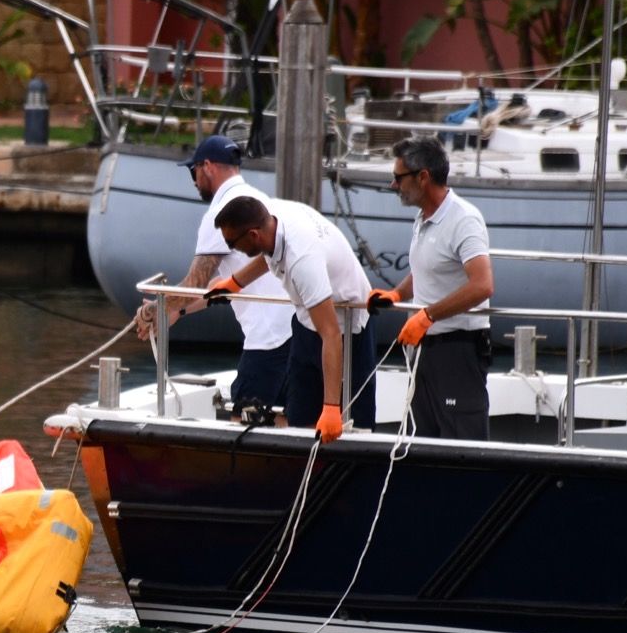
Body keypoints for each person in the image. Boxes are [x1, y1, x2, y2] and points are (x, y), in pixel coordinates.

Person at [133, 134, 292, 419]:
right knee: (283, 421)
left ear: (207, 166)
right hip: (294, 334)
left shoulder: (223, 212)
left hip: (268, 341)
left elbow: (192, 285)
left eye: (193, 171)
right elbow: (218, 288)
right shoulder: (259, 202)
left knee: (242, 423)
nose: (194, 181)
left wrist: (150, 310)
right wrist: (178, 310)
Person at [210, 193, 376, 443]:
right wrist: (234, 283)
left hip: (347, 325)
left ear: (253, 235)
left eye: (232, 243)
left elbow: (331, 334)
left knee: (354, 422)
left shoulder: (302, 259)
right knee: (300, 415)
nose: (231, 249)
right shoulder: (272, 216)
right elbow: (270, 255)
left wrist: (331, 407)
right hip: (305, 320)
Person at [369, 135, 495, 439]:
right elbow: (427, 269)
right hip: (425, 350)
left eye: (398, 177)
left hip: (458, 350)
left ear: (423, 177)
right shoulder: (423, 217)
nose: (393, 185)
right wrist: (398, 294)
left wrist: (427, 316)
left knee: (462, 444)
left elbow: (482, 286)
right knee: (423, 440)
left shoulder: (464, 219)